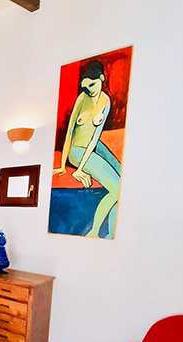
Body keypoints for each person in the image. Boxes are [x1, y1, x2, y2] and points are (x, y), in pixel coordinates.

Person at [53, 61, 121, 238]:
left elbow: (94, 139)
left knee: (122, 177)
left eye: (92, 85)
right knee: (116, 188)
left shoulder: (105, 102)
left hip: (94, 146)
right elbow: (69, 133)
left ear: (101, 78)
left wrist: (82, 168)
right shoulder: (82, 99)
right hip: (77, 151)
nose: (89, 90)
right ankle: (94, 230)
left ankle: (111, 232)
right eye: (85, 87)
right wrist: (66, 166)